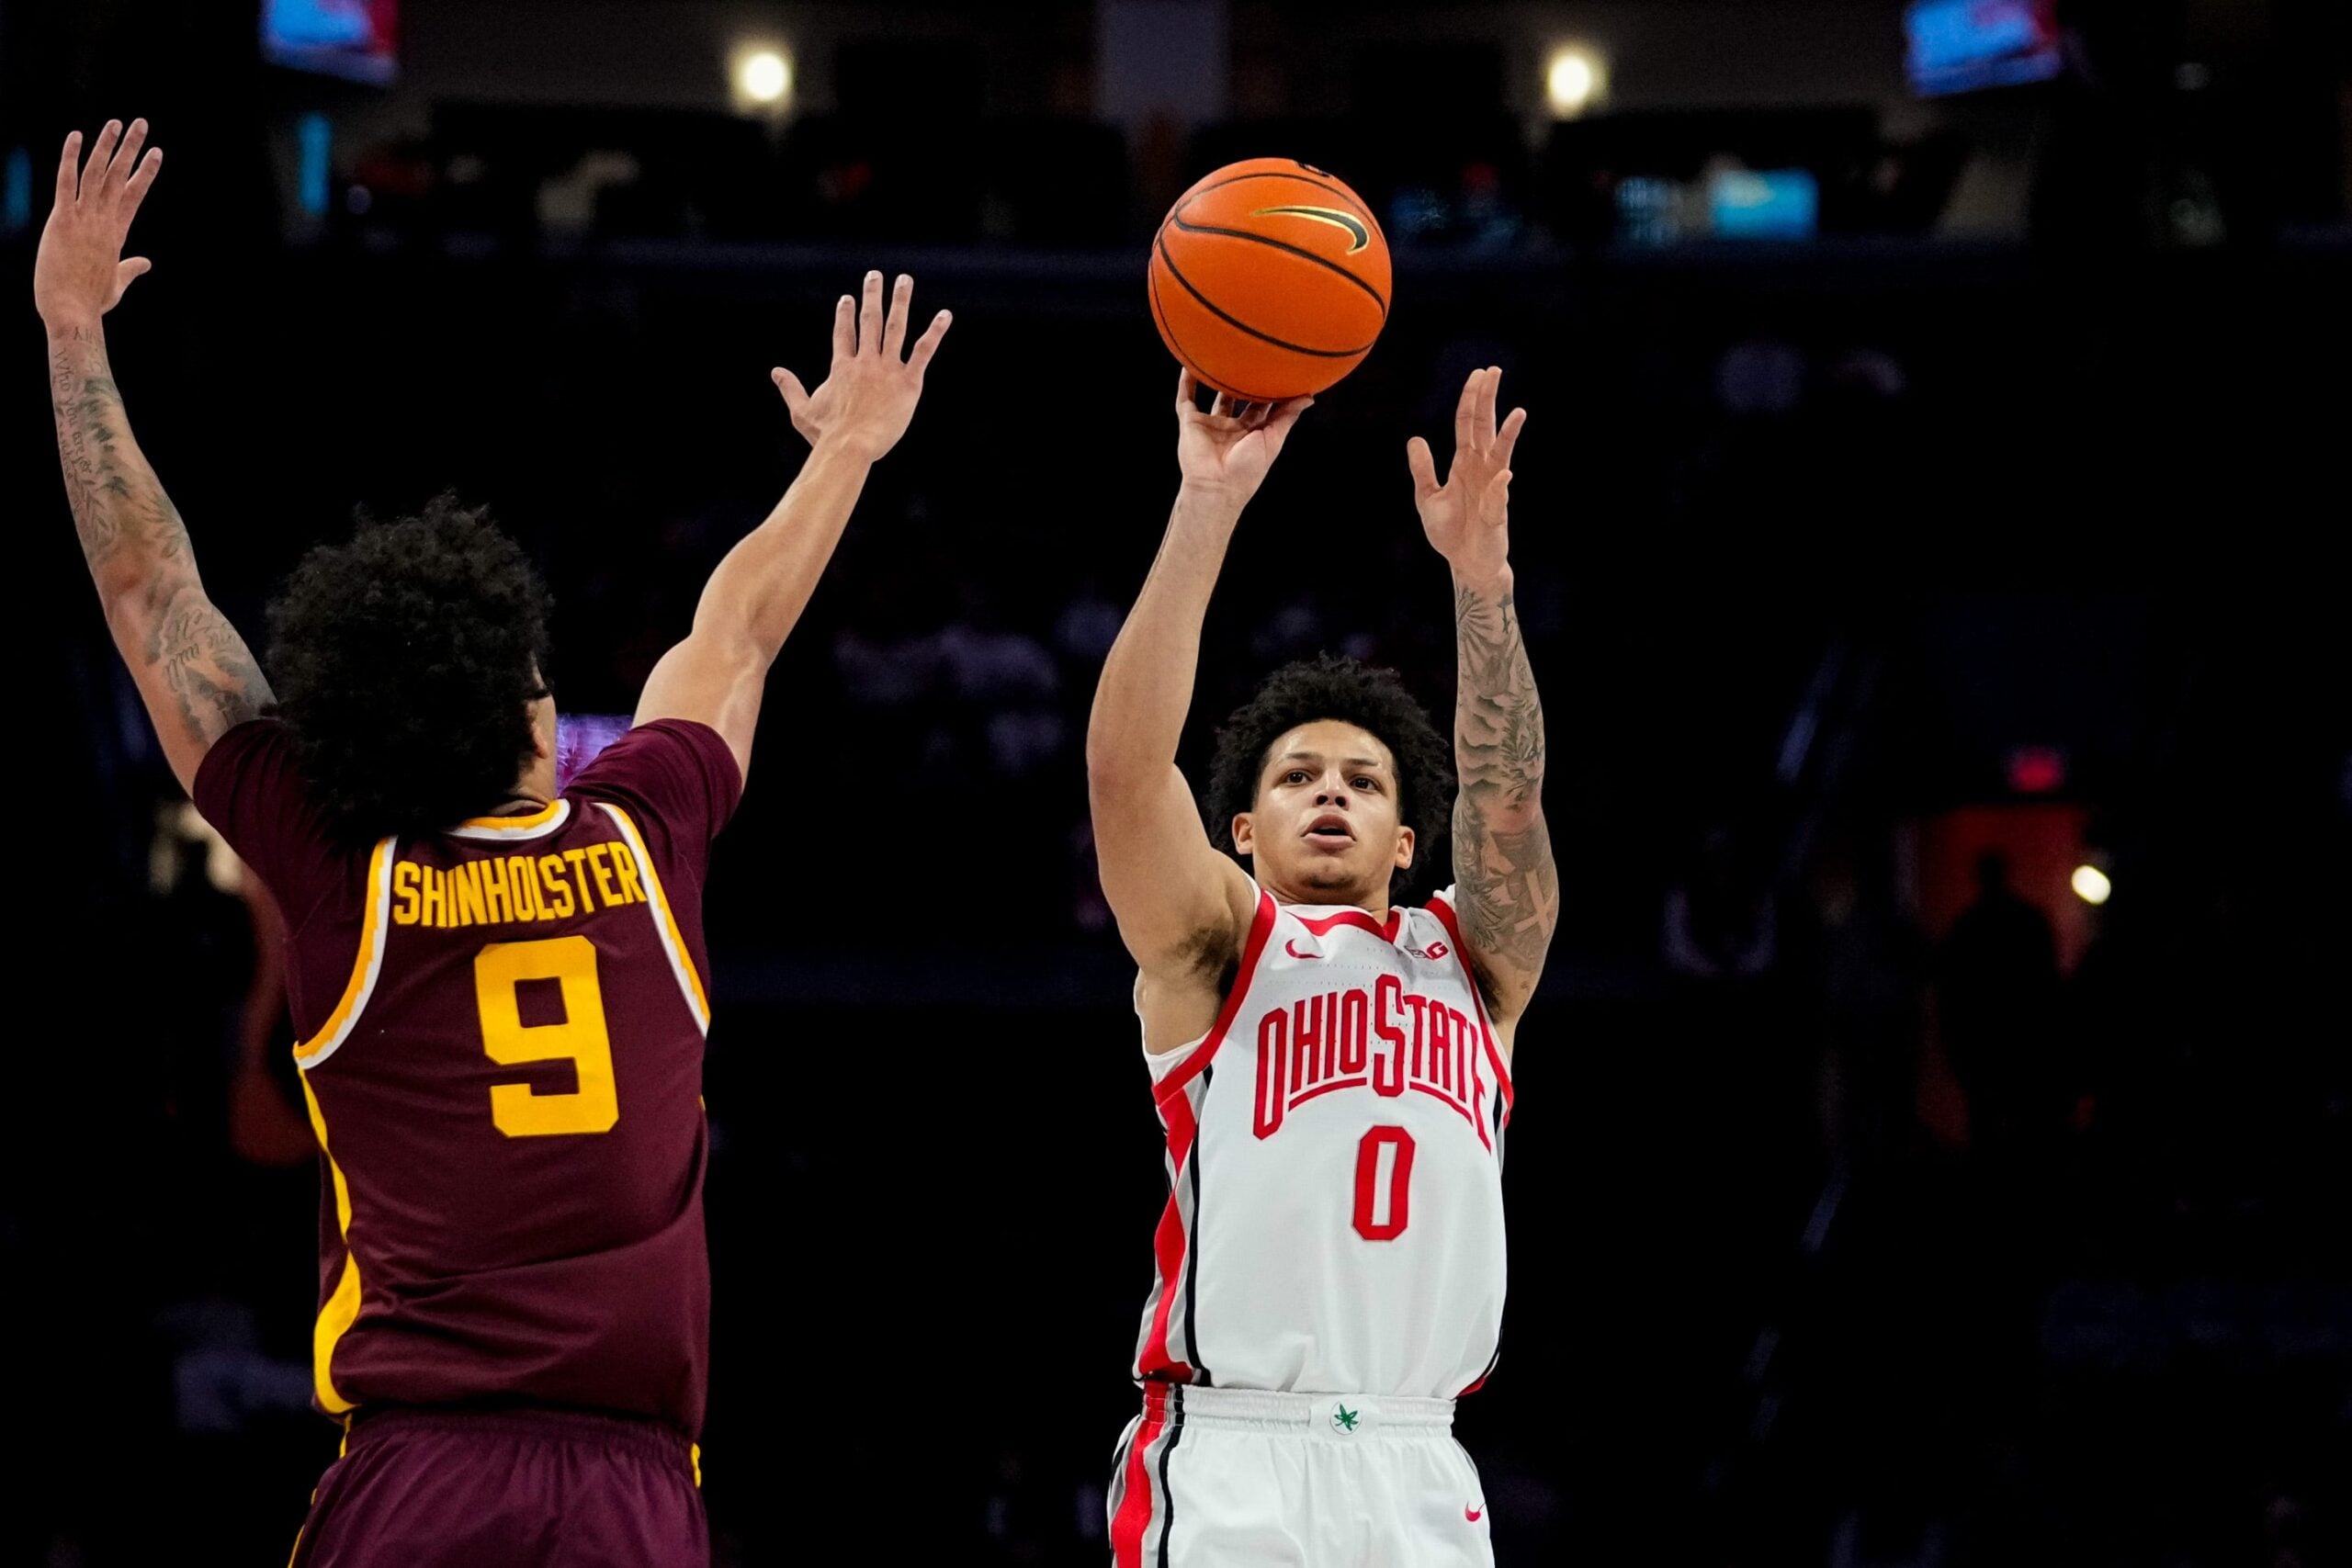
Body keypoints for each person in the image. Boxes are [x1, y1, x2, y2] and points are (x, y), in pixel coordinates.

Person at [39, 118, 949, 1565]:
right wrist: (844, 451)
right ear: (534, 719)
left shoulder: (341, 871)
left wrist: (73, 332)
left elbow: (157, 597)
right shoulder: (647, 833)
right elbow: (741, 627)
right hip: (632, 1483)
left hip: (417, 1474)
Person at [1085, 366, 1558, 1566]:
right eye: (1296, 778)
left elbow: (1506, 798)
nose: (1331, 791)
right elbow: (1127, 780)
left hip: (1421, 1460)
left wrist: (1483, 585)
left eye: (1362, 781)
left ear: (1408, 840)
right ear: (1241, 831)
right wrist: (1206, 503)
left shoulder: (1476, 963)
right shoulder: (1220, 948)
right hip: (1239, 1454)